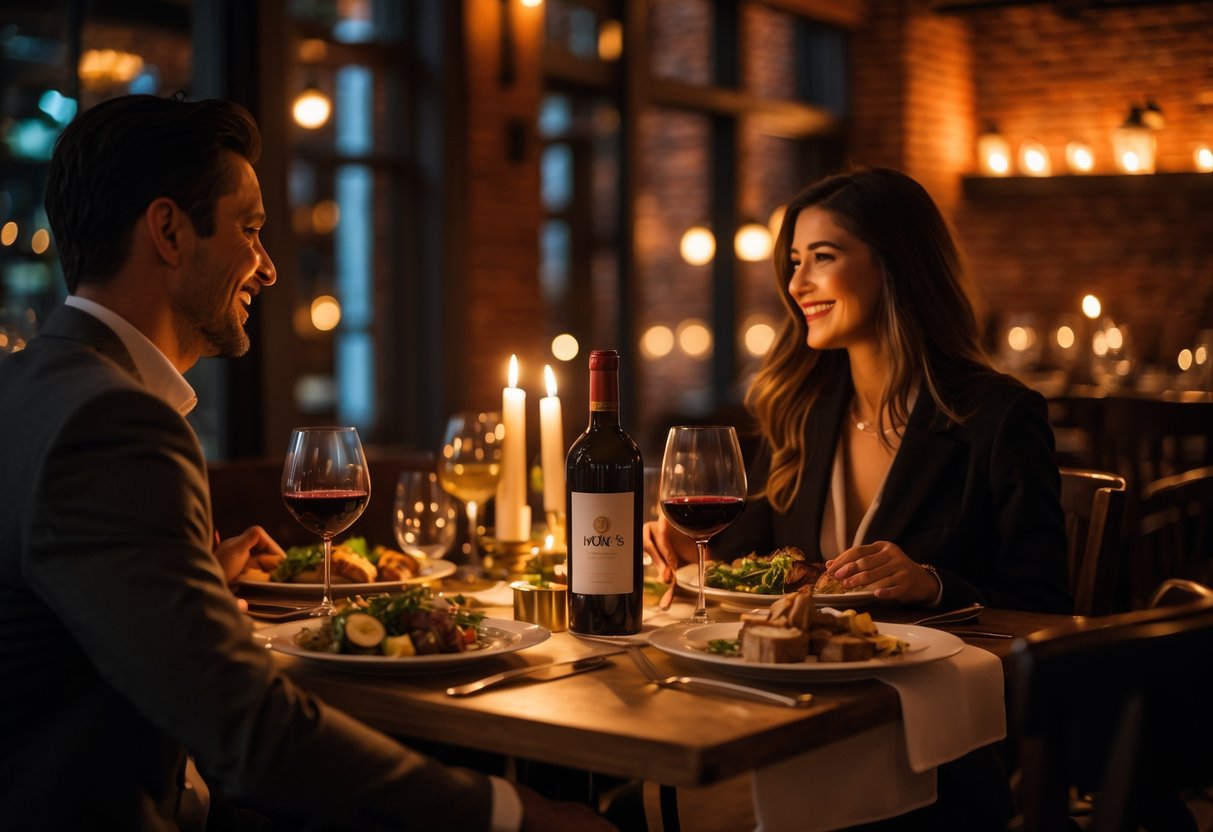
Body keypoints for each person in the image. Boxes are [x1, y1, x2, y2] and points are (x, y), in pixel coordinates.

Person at [0, 93, 614, 832]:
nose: (266, 271)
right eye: (250, 231)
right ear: (167, 230)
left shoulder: (28, 386)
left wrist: (187, 572)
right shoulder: (114, 423)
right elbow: (250, 736)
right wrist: (512, 815)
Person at [647, 167, 1072, 616]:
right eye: (795, 262)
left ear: (894, 264)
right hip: (800, 679)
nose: (796, 284)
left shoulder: (1000, 416)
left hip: (939, 681)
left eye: (823, 257)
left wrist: (932, 584)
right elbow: (751, 561)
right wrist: (687, 544)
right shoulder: (801, 410)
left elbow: (1046, 606)